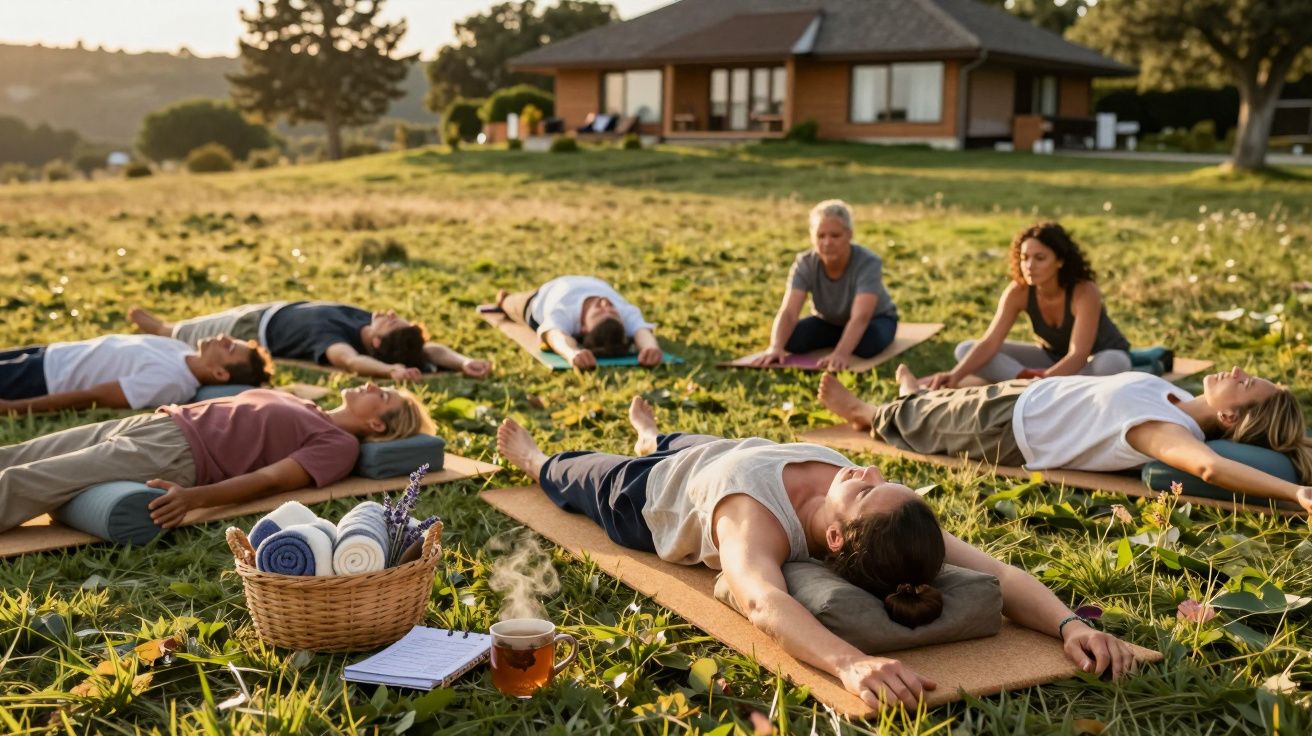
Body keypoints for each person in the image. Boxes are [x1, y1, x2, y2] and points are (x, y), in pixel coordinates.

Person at [495, 397, 1136, 709]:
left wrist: (852, 665)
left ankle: (537, 457)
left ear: (834, 538)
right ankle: (653, 432)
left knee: (577, 474)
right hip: (727, 448)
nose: (866, 472)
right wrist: (1069, 624)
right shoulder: (872, 509)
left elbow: (763, 601)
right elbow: (997, 570)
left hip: (651, 493)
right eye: (884, 480)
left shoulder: (757, 522)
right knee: (687, 438)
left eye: (867, 491)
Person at [818, 366, 1312, 512]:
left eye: (1246, 384)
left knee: (923, 421)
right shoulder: (1174, 398)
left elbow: (1207, 468)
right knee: (940, 401)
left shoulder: (1168, 432)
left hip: (1008, 428)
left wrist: (1294, 492)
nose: (1240, 371)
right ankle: (909, 398)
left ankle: (869, 413)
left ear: (1228, 415)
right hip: (1027, 397)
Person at [0, 383, 435, 532]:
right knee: (18, 454)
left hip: (176, 454)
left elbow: (270, 480)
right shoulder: (311, 408)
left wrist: (195, 498)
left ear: (378, 425)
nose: (372, 387)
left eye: (383, 396)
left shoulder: (338, 445)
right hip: (158, 424)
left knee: (26, 479)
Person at [922, 223, 1130, 390]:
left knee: (1111, 365)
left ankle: (1035, 386)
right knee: (965, 349)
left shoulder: (1084, 291)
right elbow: (990, 342)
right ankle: (1039, 384)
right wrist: (955, 375)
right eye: (1024, 258)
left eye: (1040, 258)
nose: (1029, 266)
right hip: (1051, 359)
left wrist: (1042, 382)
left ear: (1060, 261)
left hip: (1095, 360)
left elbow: (1078, 354)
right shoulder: (1018, 291)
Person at [130, 302, 491, 381]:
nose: (392, 314)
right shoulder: (367, 322)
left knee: (179, 334)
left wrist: (390, 369)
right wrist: (462, 362)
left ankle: (159, 330)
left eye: (393, 324)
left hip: (249, 327)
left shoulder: (337, 341)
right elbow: (430, 350)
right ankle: (162, 330)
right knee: (184, 330)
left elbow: (349, 362)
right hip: (273, 307)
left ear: (379, 345)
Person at [752, 200, 898, 372]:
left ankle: (845, 342)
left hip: (875, 319)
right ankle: (843, 339)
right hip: (828, 321)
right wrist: (775, 347)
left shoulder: (868, 262)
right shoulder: (805, 263)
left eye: (835, 235)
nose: (827, 242)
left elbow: (861, 316)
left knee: (868, 345)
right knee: (791, 339)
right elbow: (789, 311)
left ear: (849, 235)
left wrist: (841, 354)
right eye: (821, 236)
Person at [0, 334, 272, 414]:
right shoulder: (179, 349)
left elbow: (92, 397)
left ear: (220, 374)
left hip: (46, 376)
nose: (223, 337)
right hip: (53, 353)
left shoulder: (171, 382)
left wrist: (13, 408)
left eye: (228, 347)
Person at [495, 276, 662, 370]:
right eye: (611, 309)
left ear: (583, 328)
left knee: (505, 302)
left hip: (534, 299)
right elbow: (642, 332)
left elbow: (555, 335)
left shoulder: (564, 312)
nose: (605, 304)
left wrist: (572, 353)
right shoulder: (623, 312)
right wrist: (651, 347)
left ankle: (504, 300)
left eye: (600, 313)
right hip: (574, 278)